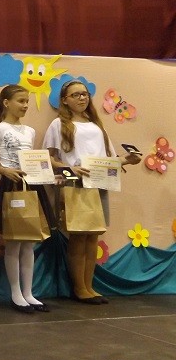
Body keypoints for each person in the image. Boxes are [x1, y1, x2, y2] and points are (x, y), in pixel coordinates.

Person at [42, 79, 141, 304]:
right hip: (75, 185)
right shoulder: (59, 124)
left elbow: (108, 159)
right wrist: (69, 168)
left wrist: (128, 159)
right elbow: (49, 157)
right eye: (76, 95)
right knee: (79, 236)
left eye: (85, 94)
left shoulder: (96, 125)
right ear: (64, 100)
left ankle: (89, 286)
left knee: (93, 236)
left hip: (99, 183)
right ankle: (79, 288)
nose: (82, 98)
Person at [0, 84, 55, 313]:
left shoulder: (30, 131)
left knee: (29, 241)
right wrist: (4, 171)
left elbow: (33, 159)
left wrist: (46, 174)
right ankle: (15, 293)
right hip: (11, 185)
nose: (25, 106)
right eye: (21, 101)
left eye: (27, 102)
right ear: (6, 103)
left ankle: (29, 293)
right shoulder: (0, 129)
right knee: (14, 241)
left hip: (31, 185)